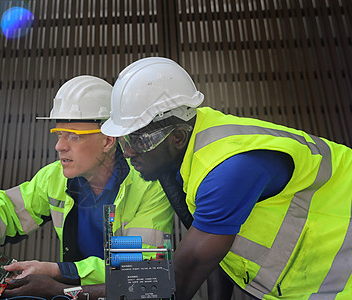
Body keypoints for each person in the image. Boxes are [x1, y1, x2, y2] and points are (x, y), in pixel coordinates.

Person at [101, 57, 352, 299]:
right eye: (123, 140)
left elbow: (180, 278)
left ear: (177, 136)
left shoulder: (226, 170)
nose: (129, 151)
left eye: (139, 140)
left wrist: (74, 293)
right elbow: (213, 254)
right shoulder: (187, 153)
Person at [0, 75, 174, 299]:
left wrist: (57, 272)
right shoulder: (55, 177)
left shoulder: (149, 185)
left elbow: (137, 267)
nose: (59, 146)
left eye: (73, 137)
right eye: (59, 135)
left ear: (107, 140)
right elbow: (8, 208)